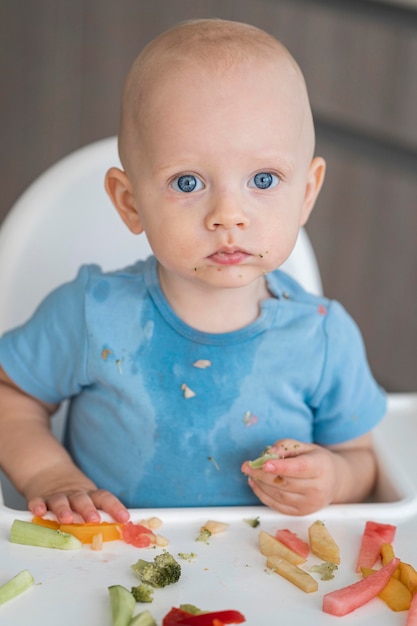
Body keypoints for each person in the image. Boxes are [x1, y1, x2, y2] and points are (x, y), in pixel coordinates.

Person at [0, 18, 386, 524]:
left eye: (263, 179)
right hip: (107, 560)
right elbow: (11, 397)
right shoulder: (91, 314)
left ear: (307, 193)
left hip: (265, 576)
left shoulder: (324, 337)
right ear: (129, 201)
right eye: (187, 182)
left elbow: (365, 463)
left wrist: (334, 478)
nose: (228, 214)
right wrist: (52, 477)